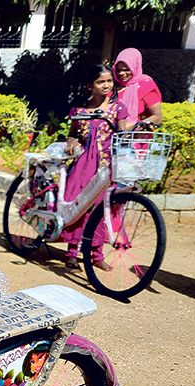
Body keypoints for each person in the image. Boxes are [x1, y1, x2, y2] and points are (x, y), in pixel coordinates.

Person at [63, 65, 128, 270]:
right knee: (78, 206)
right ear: (90, 86)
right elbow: (72, 134)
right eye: (101, 82)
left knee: (102, 208)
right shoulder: (79, 111)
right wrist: (72, 141)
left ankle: (96, 255)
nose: (106, 85)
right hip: (82, 166)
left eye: (109, 81)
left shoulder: (118, 109)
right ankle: (72, 253)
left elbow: (123, 136)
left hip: (106, 166)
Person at [113, 48, 162, 127]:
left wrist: (130, 128)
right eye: (118, 70)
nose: (121, 73)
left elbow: (158, 117)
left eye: (126, 70)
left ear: (135, 67)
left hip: (133, 133)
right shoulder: (112, 86)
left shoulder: (145, 86)